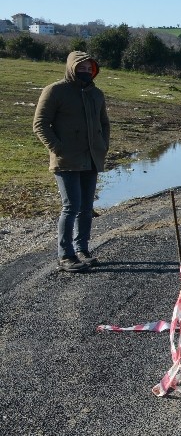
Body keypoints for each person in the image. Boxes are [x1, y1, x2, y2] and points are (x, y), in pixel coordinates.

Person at [33, 51, 110, 273]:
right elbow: (40, 124)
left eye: (89, 68)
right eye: (81, 67)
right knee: (71, 207)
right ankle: (65, 255)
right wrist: (58, 148)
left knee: (86, 208)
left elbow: (104, 123)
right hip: (66, 159)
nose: (86, 71)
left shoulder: (97, 94)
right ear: (71, 67)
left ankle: (82, 250)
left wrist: (103, 145)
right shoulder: (55, 91)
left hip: (92, 158)